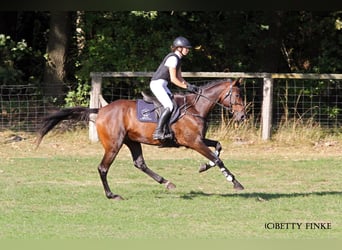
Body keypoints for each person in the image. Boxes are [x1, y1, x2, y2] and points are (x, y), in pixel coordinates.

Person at [150, 36, 199, 140]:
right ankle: (158, 132)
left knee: (174, 104)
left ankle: (167, 129)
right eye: (186, 48)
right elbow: (173, 79)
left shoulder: (178, 59)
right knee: (169, 106)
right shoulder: (173, 59)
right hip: (157, 84)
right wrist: (186, 87)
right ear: (179, 48)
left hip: (163, 85)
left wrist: (190, 86)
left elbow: (180, 78)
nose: (188, 50)